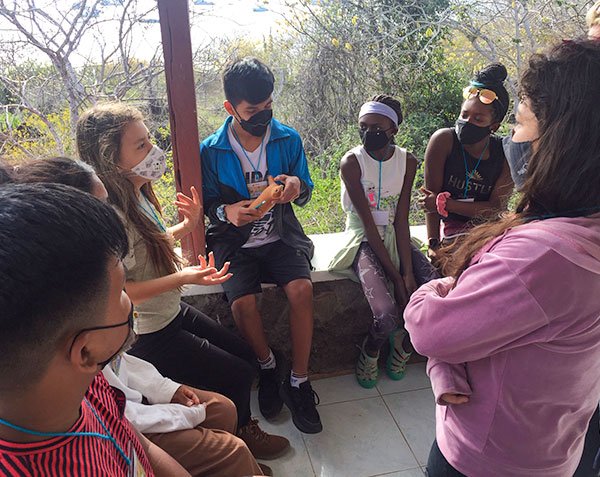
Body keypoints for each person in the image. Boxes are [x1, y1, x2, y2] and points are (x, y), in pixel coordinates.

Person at [405, 39, 600, 477]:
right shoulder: (582, 231)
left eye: (518, 122)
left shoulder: (536, 258)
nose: (513, 136)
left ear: (559, 143)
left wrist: (438, 289)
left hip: (490, 456)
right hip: (553, 446)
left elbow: (429, 328)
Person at [10, 155, 271, 476]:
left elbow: (124, 423)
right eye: (120, 291)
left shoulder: (90, 390)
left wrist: (165, 390)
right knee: (233, 448)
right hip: (158, 332)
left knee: (228, 401)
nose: (128, 302)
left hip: (166, 325)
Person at [76, 102, 289, 459]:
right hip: (149, 331)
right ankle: (237, 444)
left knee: (244, 356)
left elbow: (144, 246)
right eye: (141, 145)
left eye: (149, 140)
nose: (154, 151)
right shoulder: (111, 213)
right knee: (237, 373)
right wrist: (183, 276)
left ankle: (232, 432)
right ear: (111, 157)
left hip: (170, 312)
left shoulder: (137, 193)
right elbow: (120, 292)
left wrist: (184, 228)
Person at [0, 183, 188, 476]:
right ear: (86, 350)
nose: (128, 302)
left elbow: (131, 440)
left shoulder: (85, 384)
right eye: (120, 293)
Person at [200, 57, 322, 434]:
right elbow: (204, 203)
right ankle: (269, 366)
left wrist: (296, 188)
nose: (262, 115)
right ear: (230, 108)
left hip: (281, 234)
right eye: (252, 110)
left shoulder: (287, 138)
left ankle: (299, 380)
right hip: (236, 242)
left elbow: (305, 187)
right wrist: (226, 211)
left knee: (302, 290)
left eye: (268, 106)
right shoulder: (211, 150)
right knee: (242, 303)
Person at [328, 95, 439, 388]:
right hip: (363, 237)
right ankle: (371, 349)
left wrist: (409, 272)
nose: (368, 132)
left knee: (435, 296)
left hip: (394, 231)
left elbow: (401, 219)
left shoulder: (407, 161)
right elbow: (367, 224)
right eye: (363, 126)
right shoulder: (352, 163)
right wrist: (397, 277)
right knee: (387, 313)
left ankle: (403, 347)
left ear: (394, 129)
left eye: (377, 126)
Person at [419, 63, 513, 265]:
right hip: (452, 230)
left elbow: (494, 209)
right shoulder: (443, 141)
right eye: (464, 115)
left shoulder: (504, 153)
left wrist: (447, 204)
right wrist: (434, 244)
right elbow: (430, 200)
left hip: (488, 230)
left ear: (493, 126)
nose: (467, 123)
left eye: (478, 119)